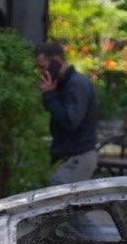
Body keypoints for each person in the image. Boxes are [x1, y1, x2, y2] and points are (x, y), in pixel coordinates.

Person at [36, 41, 98, 184]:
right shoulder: (62, 84)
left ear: (56, 61)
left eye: (43, 67)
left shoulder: (76, 84)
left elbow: (70, 121)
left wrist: (50, 96)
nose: (41, 72)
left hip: (78, 157)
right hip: (68, 156)